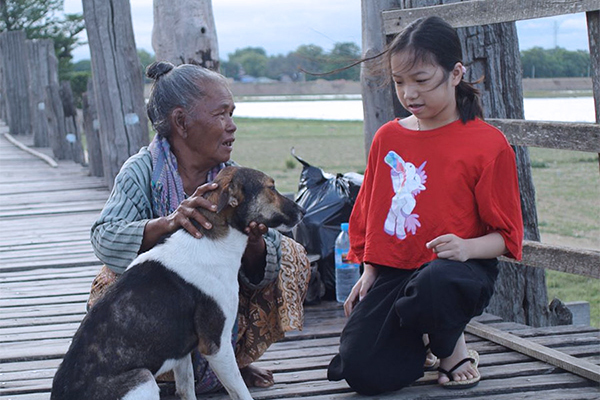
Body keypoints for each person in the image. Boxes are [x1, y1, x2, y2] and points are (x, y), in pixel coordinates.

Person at [327, 16, 524, 395]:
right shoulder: (388, 138)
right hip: (397, 270)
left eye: (421, 80)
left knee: (434, 282)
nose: (409, 94)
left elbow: (508, 236)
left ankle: (451, 347)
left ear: (455, 73)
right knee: (363, 371)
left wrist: (465, 247)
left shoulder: (487, 143)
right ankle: (424, 343)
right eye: (399, 82)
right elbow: (373, 211)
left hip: (459, 273)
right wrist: (369, 269)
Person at [88, 61, 310, 393]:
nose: (232, 126)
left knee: (288, 254)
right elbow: (104, 239)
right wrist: (168, 224)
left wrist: (253, 244)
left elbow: (262, 270)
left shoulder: (233, 179)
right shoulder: (142, 171)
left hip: (210, 311)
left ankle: (232, 360)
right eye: (221, 114)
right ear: (181, 121)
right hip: (160, 315)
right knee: (110, 282)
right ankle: (151, 373)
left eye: (232, 114)